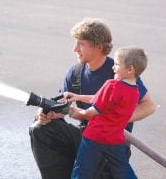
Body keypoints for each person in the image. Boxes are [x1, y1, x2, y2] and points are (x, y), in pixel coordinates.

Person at [29, 17, 156, 179]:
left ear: (98, 45)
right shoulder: (75, 73)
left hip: (111, 142)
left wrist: (117, 118)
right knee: (39, 128)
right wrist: (49, 112)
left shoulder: (119, 72)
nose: (75, 49)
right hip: (87, 136)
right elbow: (64, 106)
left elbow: (149, 106)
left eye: (81, 44)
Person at [69, 47, 148, 179]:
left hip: (95, 137)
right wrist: (78, 97)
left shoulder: (111, 85)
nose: (113, 67)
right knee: (123, 171)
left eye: (117, 64)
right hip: (115, 140)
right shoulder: (135, 92)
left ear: (130, 69)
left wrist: (77, 113)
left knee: (82, 170)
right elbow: (103, 99)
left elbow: (93, 111)